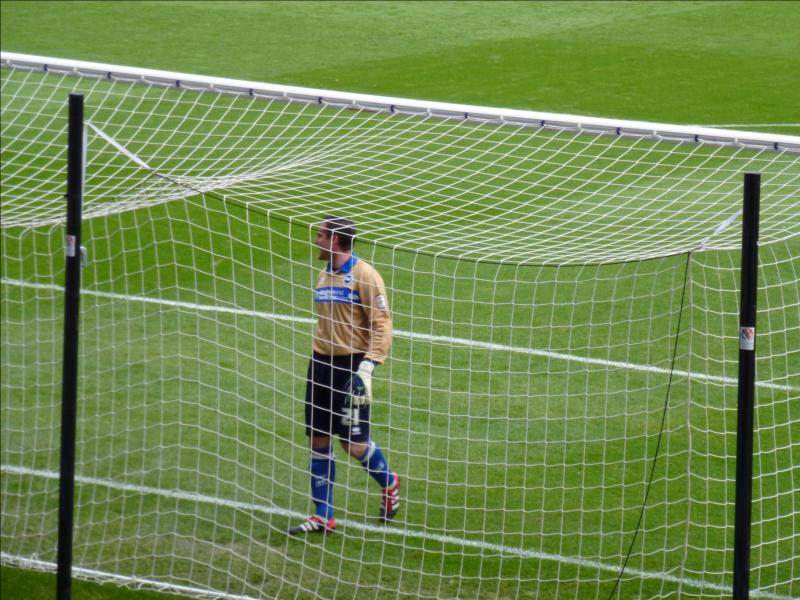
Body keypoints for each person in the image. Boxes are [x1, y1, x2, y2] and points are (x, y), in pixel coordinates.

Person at [288, 216, 400, 535]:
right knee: (318, 440)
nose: (316, 242)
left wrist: (367, 369)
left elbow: (383, 325)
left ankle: (390, 483)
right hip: (320, 365)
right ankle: (324, 515)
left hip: (352, 369)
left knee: (353, 444)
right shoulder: (323, 275)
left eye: (320, 236)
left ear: (335, 240)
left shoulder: (365, 275)